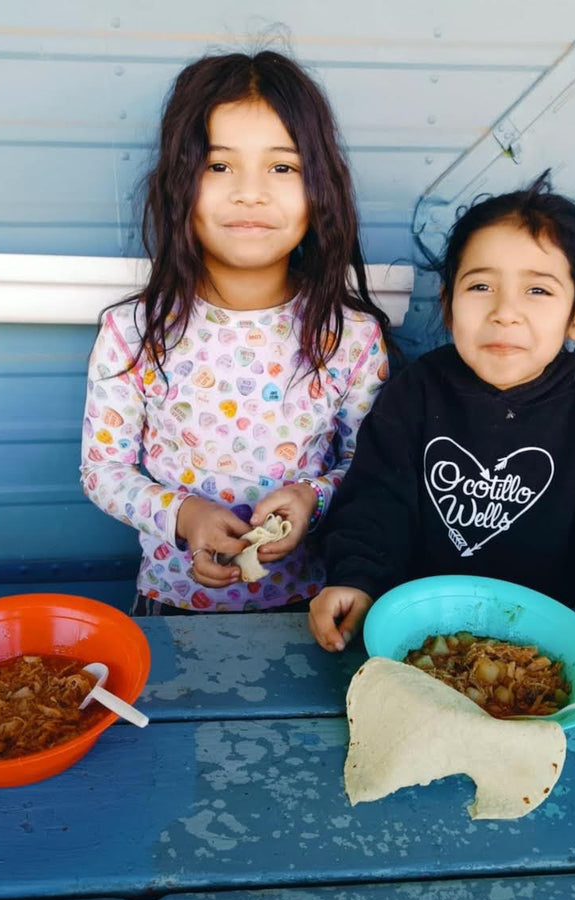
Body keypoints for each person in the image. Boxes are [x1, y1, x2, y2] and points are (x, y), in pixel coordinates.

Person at [80, 50, 390, 614]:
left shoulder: (350, 337)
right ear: (181, 185)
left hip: (310, 607)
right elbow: (103, 470)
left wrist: (310, 498)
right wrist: (183, 515)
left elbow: (369, 467)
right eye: (219, 166)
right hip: (173, 606)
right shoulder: (133, 332)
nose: (251, 192)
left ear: (319, 188)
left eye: (283, 167)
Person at [309, 174, 575, 653]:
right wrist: (356, 579)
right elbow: (375, 504)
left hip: (547, 651)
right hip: (422, 643)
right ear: (449, 307)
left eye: (537, 291)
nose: (505, 312)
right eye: (480, 286)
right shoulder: (415, 395)